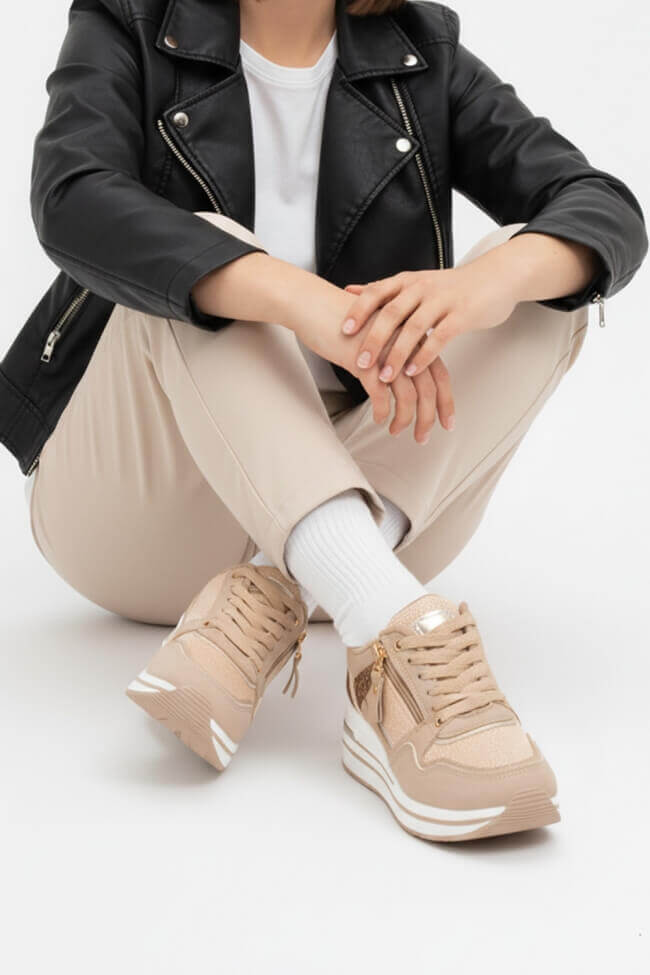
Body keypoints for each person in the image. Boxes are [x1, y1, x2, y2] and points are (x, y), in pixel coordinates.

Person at [2, 0, 646, 842]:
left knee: (545, 276)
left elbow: (602, 207)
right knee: (193, 247)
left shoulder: (419, 49)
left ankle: (283, 594)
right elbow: (71, 195)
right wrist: (297, 299)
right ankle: (389, 625)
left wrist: (481, 287)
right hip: (140, 510)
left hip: (375, 495)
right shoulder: (129, 18)